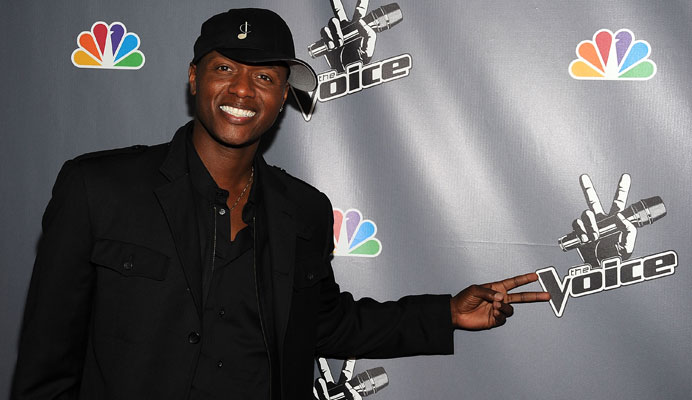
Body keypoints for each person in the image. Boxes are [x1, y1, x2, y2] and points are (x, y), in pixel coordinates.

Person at [11, 8, 550, 400]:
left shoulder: (305, 210)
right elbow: (47, 362)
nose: (243, 91)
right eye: (225, 68)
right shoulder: (98, 188)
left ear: (283, 99)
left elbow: (327, 324)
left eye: (265, 77)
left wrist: (445, 313)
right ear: (194, 78)